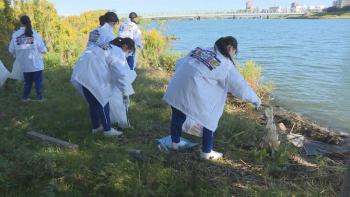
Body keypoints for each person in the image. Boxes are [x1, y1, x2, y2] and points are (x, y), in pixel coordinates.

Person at [163, 36, 261, 160]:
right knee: (209, 118)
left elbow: (180, 62)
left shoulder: (199, 50)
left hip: (176, 86)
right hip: (189, 91)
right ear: (231, 48)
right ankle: (206, 152)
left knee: (178, 113)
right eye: (234, 52)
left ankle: (174, 143)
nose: (233, 55)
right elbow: (239, 86)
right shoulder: (225, 63)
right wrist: (256, 100)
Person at [71, 37, 136, 137]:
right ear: (125, 47)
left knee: (93, 103)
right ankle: (108, 130)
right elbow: (120, 74)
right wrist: (125, 92)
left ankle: (96, 127)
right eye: (129, 51)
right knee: (103, 101)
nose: (128, 55)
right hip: (92, 74)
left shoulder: (106, 46)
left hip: (81, 72)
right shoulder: (117, 51)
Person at [9, 15, 47, 102]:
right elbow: (43, 50)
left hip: (24, 66)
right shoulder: (36, 34)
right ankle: (40, 98)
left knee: (28, 82)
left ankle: (25, 98)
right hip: (36, 64)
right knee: (38, 81)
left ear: (21, 23)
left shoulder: (15, 35)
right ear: (29, 22)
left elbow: (11, 50)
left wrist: (17, 56)